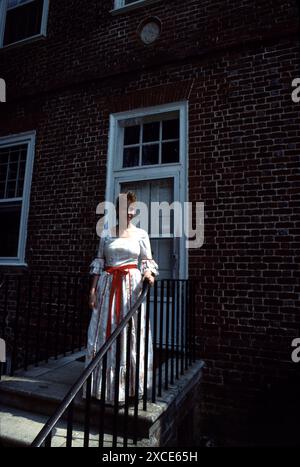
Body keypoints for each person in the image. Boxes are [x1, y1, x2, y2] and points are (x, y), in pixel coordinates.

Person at [83, 191, 159, 404]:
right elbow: (99, 263)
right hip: (108, 289)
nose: (128, 210)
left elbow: (147, 261)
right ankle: (100, 387)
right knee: (102, 335)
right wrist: (92, 291)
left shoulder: (141, 234)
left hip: (131, 289)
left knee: (130, 334)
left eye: (131, 207)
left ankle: (129, 387)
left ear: (134, 211)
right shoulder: (106, 235)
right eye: (124, 206)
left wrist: (148, 274)